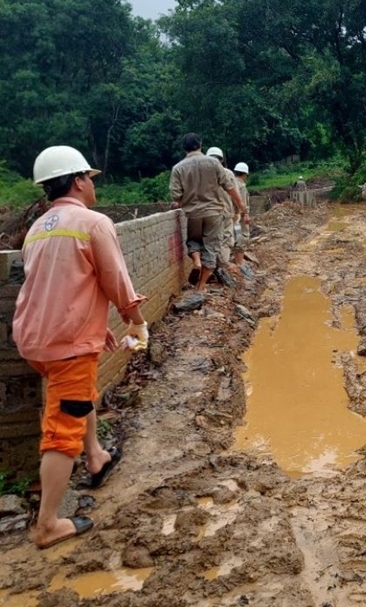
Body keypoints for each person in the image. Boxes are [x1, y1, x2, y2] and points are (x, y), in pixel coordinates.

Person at [13, 146, 149, 549]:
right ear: (77, 181)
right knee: (61, 429)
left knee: (79, 394)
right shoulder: (93, 223)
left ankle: (96, 457)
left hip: (34, 339)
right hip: (65, 343)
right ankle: (48, 525)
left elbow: (58, 287)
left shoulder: (38, 228)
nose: (93, 185)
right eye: (89, 178)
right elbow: (116, 282)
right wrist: (136, 323)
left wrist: (93, 330)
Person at [170, 134, 247, 291]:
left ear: (184, 148)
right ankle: (201, 286)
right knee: (211, 248)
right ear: (200, 144)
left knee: (193, 241)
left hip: (193, 213)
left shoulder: (178, 168)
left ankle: (197, 261)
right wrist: (241, 205)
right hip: (214, 213)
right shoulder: (214, 164)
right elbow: (229, 186)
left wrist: (180, 201)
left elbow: (176, 196)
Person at [205, 146, 238, 268]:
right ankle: (222, 266)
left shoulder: (202, 175)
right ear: (221, 159)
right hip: (225, 213)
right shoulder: (227, 173)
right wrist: (239, 210)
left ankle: (209, 267)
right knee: (226, 239)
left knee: (210, 241)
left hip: (207, 214)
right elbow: (235, 194)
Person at [232, 162, 251, 264]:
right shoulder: (242, 186)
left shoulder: (230, 183)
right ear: (245, 174)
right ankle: (239, 263)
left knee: (234, 239)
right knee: (242, 238)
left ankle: (237, 261)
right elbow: (242, 203)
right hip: (239, 217)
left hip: (230, 217)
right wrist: (246, 214)